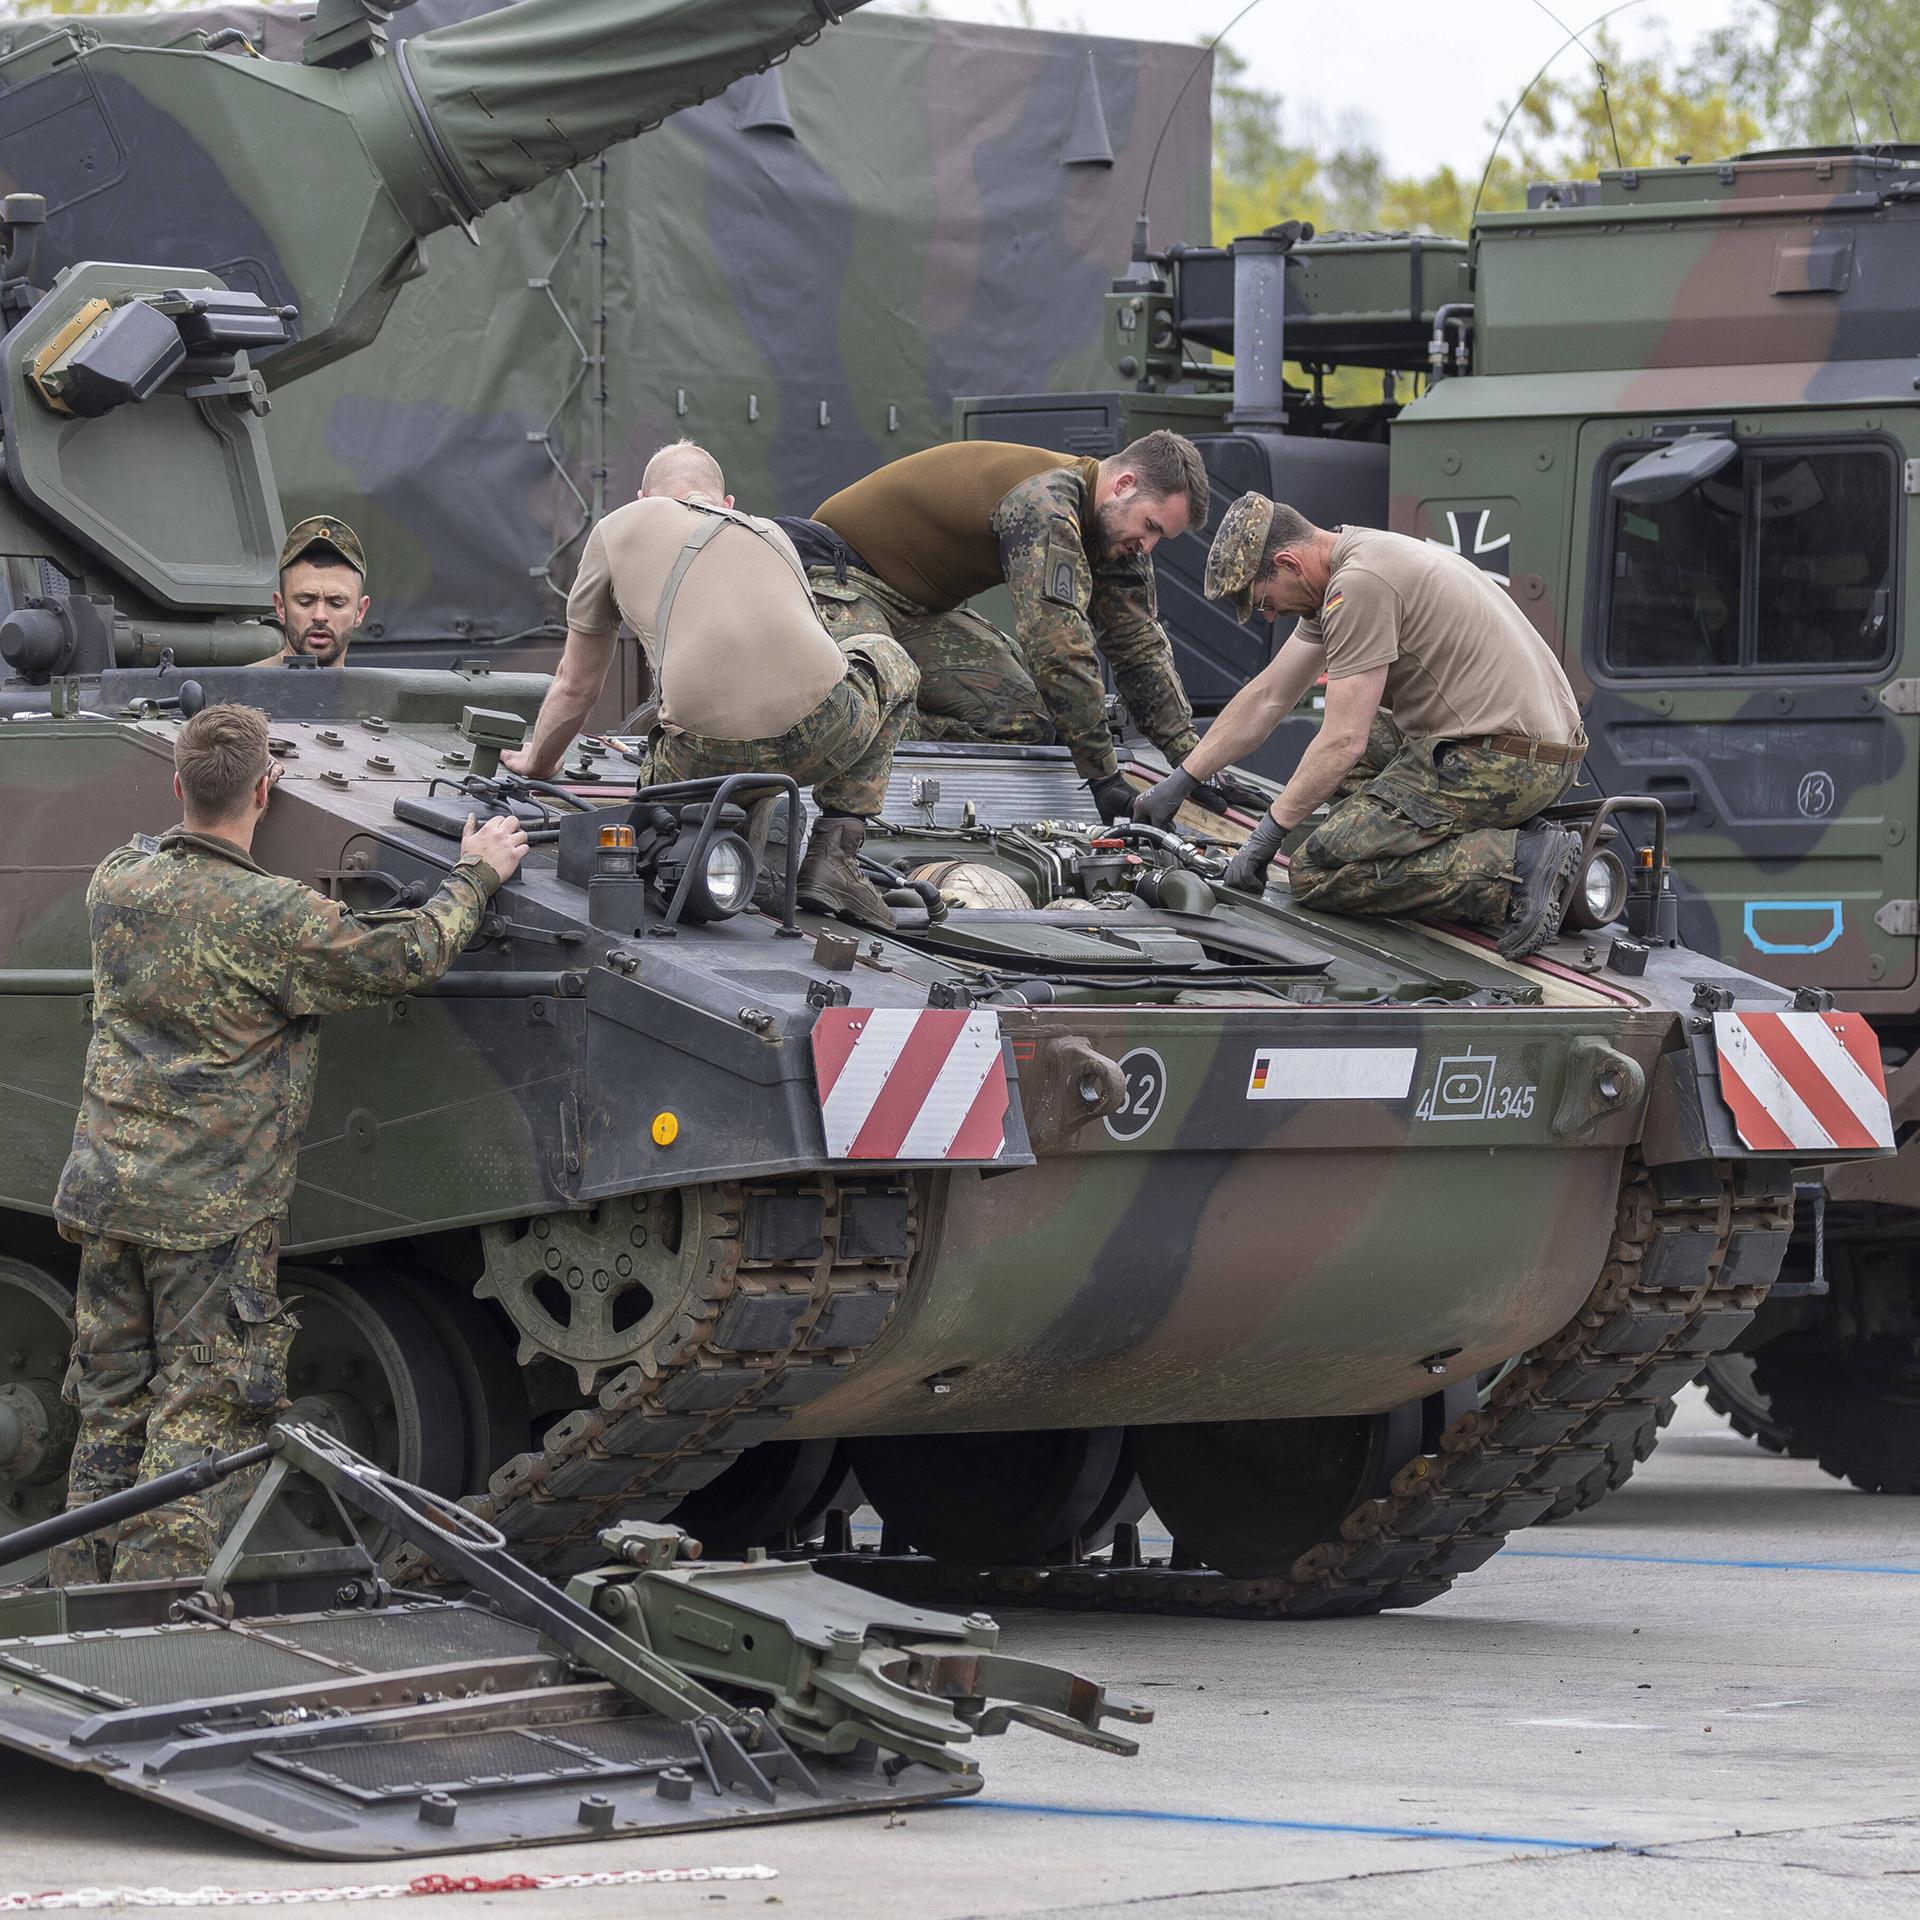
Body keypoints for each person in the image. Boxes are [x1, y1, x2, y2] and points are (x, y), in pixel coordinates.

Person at [46, 704, 528, 1586]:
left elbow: (167, 850)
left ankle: (81, 1593)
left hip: (109, 1193)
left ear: (175, 785)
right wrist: (475, 875)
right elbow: (407, 958)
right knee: (203, 1411)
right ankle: (154, 1613)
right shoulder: (274, 917)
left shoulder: (116, 881)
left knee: (110, 1405)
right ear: (267, 789)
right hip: (208, 1210)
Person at [1135, 496, 1587, 957]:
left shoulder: (1359, 586)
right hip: (1524, 747)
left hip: (1505, 761)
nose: (1269, 616)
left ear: (1288, 561)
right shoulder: (1353, 560)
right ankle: (1442, 841)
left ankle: (1515, 865)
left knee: (1315, 872)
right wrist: (1180, 781)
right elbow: (1269, 696)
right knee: (1338, 759)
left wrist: (1263, 841)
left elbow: (1343, 740)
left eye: (1266, 602)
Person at [502, 440, 919, 931]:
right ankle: (835, 853)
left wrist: (539, 762)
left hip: (700, 759)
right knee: (889, 656)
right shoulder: (771, 534)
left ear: (643, 498)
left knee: (668, 817)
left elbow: (576, 686)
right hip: (824, 736)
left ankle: (721, 837)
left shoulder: (616, 529)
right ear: (727, 504)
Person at [796, 434, 1209, 822]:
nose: (1149, 545)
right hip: (843, 577)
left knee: (1025, 720)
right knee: (859, 705)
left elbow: (1137, 646)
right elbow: (1057, 649)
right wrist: (1104, 777)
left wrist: (1193, 763)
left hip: (920, 612)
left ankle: (902, 718)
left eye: (1161, 538)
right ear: (1124, 485)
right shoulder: (1046, 502)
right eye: (1151, 526)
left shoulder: (1114, 535)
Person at [275, 516, 370, 667]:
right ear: (280, 607)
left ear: (360, 611)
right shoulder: (240, 687)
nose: (320, 616)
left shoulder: (373, 690)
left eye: (336, 603)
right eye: (305, 602)